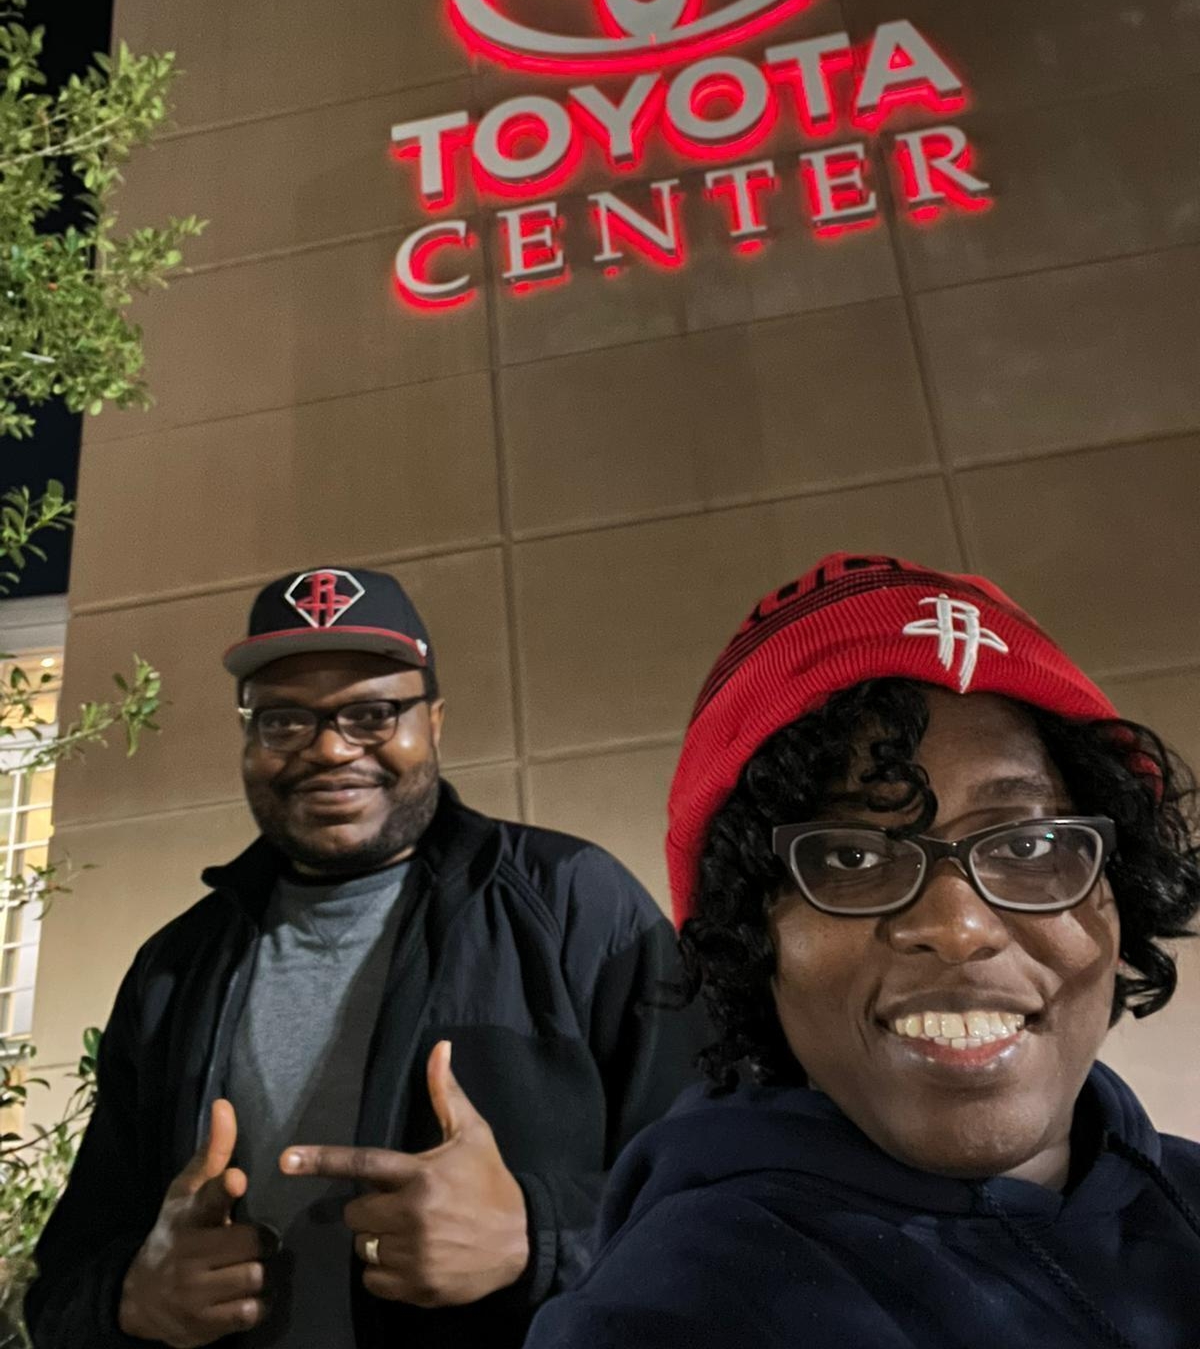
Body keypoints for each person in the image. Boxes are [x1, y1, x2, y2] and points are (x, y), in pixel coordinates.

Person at [526, 552, 1200, 1349]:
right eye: (852, 856)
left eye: (1027, 845)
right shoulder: (679, 1303)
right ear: (749, 940)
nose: (959, 927)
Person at [26, 566, 701, 1349]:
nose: (329, 748)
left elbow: (728, 1183)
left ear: (434, 723)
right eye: (284, 720)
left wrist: (535, 1237)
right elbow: (65, 1281)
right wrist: (132, 1297)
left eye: (374, 714)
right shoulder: (175, 970)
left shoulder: (573, 904)